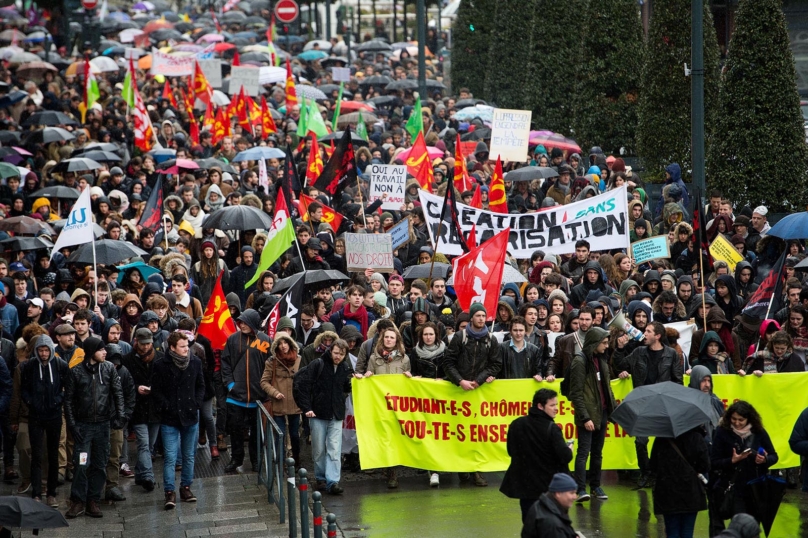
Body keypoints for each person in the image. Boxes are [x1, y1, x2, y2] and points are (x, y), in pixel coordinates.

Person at [613, 321, 684, 487]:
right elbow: (620, 364)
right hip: (643, 402)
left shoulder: (671, 354)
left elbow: (678, 380)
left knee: (663, 442)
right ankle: (646, 473)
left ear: (657, 336)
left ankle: (658, 473)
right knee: (640, 441)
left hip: (662, 403)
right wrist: (620, 349)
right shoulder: (639, 352)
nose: (644, 334)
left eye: (648, 331)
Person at [442, 303, 502, 487]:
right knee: (460, 432)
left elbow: (495, 364)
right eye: (478, 316)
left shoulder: (491, 340)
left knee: (477, 433)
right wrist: (460, 381)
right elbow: (448, 362)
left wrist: (479, 380)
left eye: (484, 316)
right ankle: (462, 468)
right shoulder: (460, 337)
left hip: (478, 392)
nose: (481, 319)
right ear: (471, 318)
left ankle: (476, 470)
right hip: (459, 390)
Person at [64, 337, 125, 519]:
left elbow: (117, 392)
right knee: (82, 463)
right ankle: (78, 500)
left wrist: (120, 415)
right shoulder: (76, 372)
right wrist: (73, 425)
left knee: (100, 464)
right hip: (84, 426)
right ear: (92, 352)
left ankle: (93, 500)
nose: (105, 352)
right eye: (101, 350)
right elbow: (68, 401)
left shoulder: (107, 369)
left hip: (103, 426)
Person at [151, 332, 205, 510]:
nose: (186, 349)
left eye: (187, 345)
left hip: (190, 415)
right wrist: (166, 405)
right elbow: (156, 391)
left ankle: (186, 487)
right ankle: (169, 491)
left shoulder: (195, 362)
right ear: (172, 348)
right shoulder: (161, 365)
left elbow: (201, 385)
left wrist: (196, 403)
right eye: (182, 346)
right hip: (170, 418)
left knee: (189, 455)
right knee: (170, 457)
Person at [500, 388, 573, 521]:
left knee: (529, 524)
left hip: (525, 487)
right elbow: (565, 457)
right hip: (547, 487)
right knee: (548, 524)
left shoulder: (516, 424)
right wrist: (569, 450)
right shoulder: (552, 428)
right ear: (540, 406)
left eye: (557, 404)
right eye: (552, 405)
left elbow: (511, 451)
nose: (556, 408)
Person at [293, 338, 353, 496]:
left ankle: (333, 481)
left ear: (345, 354)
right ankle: (321, 477)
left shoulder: (345, 367)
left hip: (336, 413)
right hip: (318, 412)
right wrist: (306, 408)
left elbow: (345, 387)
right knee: (319, 449)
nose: (338, 356)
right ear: (330, 351)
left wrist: (353, 381)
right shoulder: (318, 364)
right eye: (335, 353)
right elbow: (302, 384)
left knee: (334, 449)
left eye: (341, 354)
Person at [359, 326, 411, 488]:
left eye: (392, 338)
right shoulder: (374, 359)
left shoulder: (404, 359)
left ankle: (393, 473)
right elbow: (369, 377)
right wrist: (367, 377)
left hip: (397, 406)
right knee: (383, 436)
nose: (389, 340)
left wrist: (410, 378)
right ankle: (384, 465)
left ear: (397, 341)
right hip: (380, 405)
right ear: (382, 339)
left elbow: (409, 386)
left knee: (394, 438)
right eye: (386, 337)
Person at [568, 326, 615, 502]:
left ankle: (595, 486)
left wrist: (611, 412)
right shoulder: (580, 362)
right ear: (594, 343)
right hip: (587, 414)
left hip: (601, 412)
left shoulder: (601, 360)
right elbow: (576, 393)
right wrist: (585, 417)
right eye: (603, 342)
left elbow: (607, 388)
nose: (606, 346)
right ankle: (581, 489)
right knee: (583, 452)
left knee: (597, 452)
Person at [221, 309, 270, 473]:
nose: (242, 325)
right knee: (235, 431)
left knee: (257, 433)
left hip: (258, 397)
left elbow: (270, 366)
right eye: (240, 322)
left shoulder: (265, 340)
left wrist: (266, 388)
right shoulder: (233, 340)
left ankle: (256, 460)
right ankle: (236, 459)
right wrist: (230, 385)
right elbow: (225, 364)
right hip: (236, 396)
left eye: (246, 322)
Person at [711, 401, 777, 520]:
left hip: (755, 488)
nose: (737, 423)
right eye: (734, 419)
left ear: (749, 419)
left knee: (752, 527)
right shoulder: (722, 432)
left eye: (741, 420)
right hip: (734, 487)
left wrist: (764, 460)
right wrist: (732, 460)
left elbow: (774, 456)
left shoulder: (759, 432)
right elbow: (714, 462)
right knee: (740, 525)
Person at [19, 335, 61, 507]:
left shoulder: (59, 365)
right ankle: (37, 492)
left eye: (46, 350)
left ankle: (52, 492)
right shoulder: (29, 366)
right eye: (41, 350)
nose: (44, 354)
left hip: (54, 414)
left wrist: (58, 400)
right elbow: (24, 389)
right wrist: (31, 402)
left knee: (52, 454)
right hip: (36, 416)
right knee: (36, 454)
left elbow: (67, 386)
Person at [120, 327, 163, 492]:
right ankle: (148, 476)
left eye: (148, 344)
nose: (145, 347)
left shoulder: (159, 358)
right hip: (137, 409)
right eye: (142, 344)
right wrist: (137, 388)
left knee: (150, 444)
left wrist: (154, 389)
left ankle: (139, 473)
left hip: (155, 408)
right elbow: (124, 384)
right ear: (136, 341)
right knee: (144, 444)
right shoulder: (127, 360)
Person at [649, 425, 710, 538]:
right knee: (687, 531)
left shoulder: (662, 438)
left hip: (667, 490)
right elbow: (704, 466)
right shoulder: (697, 437)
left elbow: (653, 465)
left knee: (672, 531)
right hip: (691, 490)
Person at [259, 333, 302, 470]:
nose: (283, 346)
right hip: (278, 405)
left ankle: (296, 461)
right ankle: (280, 463)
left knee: (295, 435)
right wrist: (275, 393)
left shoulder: (299, 360)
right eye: (280, 343)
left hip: (296, 404)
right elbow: (264, 382)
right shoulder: (272, 361)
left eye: (285, 342)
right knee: (280, 435)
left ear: (290, 343)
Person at [520, 473, 579, 538]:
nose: (575, 497)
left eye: (575, 492)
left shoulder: (539, 505)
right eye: (572, 493)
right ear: (558, 493)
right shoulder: (553, 525)